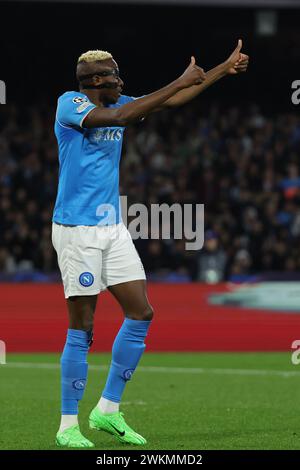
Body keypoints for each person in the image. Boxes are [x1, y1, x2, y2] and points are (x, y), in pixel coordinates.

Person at [52, 42, 249, 448]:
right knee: (83, 327)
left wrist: (219, 70)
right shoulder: (70, 104)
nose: (121, 78)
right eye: (114, 72)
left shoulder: (119, 99)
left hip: (112, 226)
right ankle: (67, 425)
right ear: (95, 81)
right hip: (77, 230)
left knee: (141, 312)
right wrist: (179, 78)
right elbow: (125, 114)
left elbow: (172, 100)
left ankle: (107, 410)